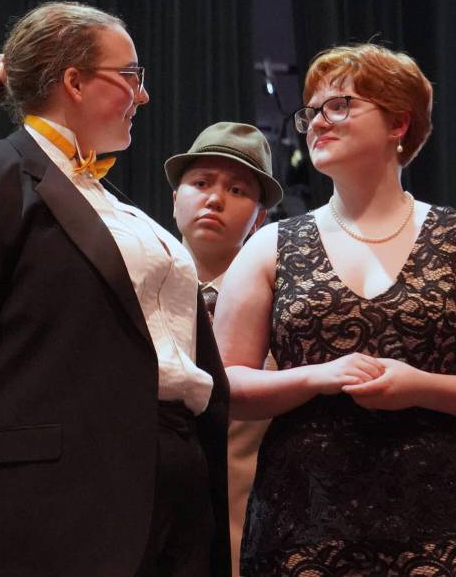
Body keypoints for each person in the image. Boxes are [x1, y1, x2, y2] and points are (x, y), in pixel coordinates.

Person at [0, 1, 231, 577]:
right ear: (74, 81)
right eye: (131, 77)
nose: (141, 96)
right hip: (51, 496)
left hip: (173, 479)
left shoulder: (120, 207)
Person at [215, 43, 456, 575]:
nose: (318, 121)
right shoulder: (270, 245)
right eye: (311, 110)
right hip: (308, 514)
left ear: (398, 123)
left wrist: (420, 386)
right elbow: (226, 387)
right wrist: (318, 377)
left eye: (339, 105)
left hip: (449, 512)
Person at [164, 122, 282, 577]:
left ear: (259, 219)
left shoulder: (284, 313)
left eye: (237, 189)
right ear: (176, 199)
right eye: (200, 183)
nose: (215, 199)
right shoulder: (126, 290)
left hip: (249, 539)